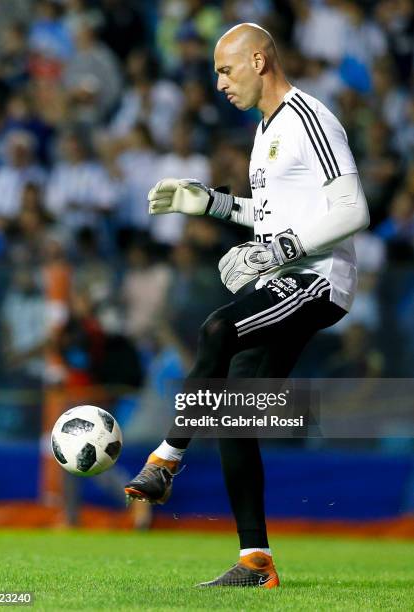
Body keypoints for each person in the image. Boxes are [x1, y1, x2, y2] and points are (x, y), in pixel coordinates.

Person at [125, 23, 369, 588]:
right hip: (289, 272)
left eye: (225, 69)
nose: (218, 83)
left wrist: (278, 251)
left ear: (259, 61)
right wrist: (209, 203)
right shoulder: (265, 131)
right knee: (236, 410)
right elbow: (270, 215)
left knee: (216, 330)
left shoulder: (311, 118)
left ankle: (165, 459)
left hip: (317, 278)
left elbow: (353, 209)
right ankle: (255, 561)